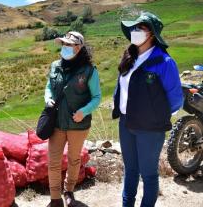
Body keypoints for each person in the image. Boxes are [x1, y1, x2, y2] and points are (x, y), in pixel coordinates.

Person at [112, 12, 183, 207]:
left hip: (150, 128)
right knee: (130, 170)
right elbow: (121, 86)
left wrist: (155, 116)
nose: (135, 32)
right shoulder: (129, 56)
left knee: (149, 173)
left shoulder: (164, 62)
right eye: (133, 28)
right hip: (126, 123)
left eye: (140, 28)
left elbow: (176, 99)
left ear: (151, 34)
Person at [45, 31, 101, 207]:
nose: (64, 48)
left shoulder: (89, 71)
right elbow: (48, 87)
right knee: (53, 161)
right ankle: (55, 198)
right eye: (63, 44)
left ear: (79, 47)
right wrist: (47, 98)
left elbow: (97, 97)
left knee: (74, 160)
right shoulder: (55, 66)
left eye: (68, 45)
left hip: (78, 124)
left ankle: (69, 192)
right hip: (57, 123)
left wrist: (84, 111)